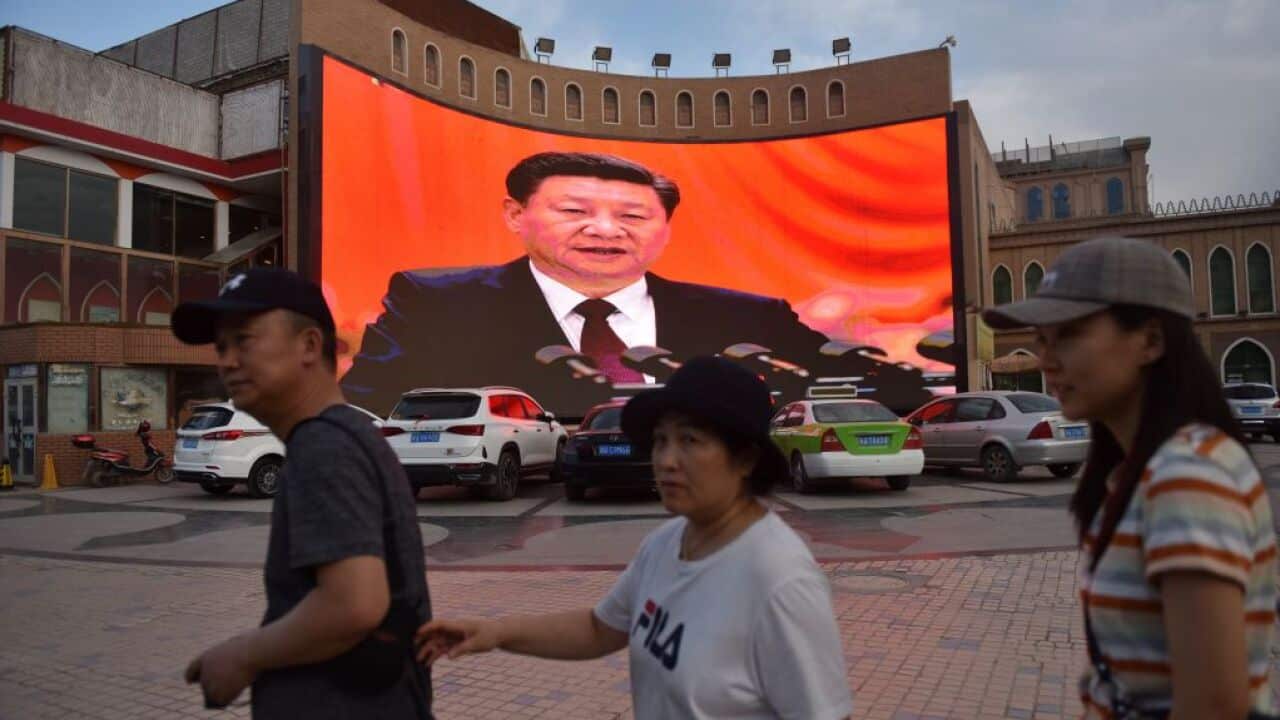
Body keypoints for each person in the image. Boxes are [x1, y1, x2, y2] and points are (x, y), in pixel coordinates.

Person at [414, 355, 853, 719]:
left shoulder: (780, 581)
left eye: (690, 441)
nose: (666, 460)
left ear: (745, 459)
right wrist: (496, 632)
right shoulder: (666, 543)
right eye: (661, 441)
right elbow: (599, 629)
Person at [339, 151, 933, 417]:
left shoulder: (750, 318)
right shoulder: (436, 302)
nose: (605, 231)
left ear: (665, 228)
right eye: (575, 211)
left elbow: (836, 385)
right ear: (516, 217)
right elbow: (369, 404)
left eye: (632, 216)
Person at [983, 236, 1278, 718]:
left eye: (1070, 334)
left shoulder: (1188, 475)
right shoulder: (1136, 474)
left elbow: (1216, 706)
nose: (1047, 360)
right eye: (1042, 339)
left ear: (1152, 339)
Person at [173, 268, 434, 718]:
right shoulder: (348, 435)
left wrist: (241, 655)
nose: (228, 361)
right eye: (222, 347)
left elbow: (353, 603)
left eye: (245, 340)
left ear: (310, 345)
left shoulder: (323, 445)